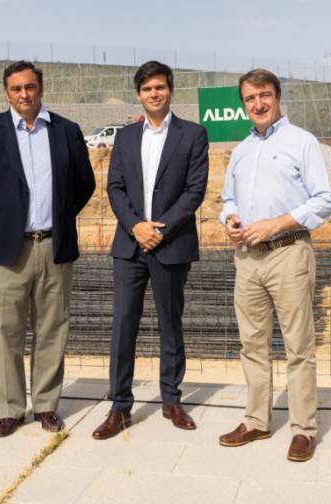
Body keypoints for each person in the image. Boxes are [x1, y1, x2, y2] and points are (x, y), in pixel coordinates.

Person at [0, 60, 96, 438]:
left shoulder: (66, 131)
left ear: (41, 88)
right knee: (6, 331)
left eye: (30, 87)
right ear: (7, 92)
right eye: (17, 88)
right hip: (7, 251)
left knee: (53, 328)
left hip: (54, 245)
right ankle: (10, 408)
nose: (24, 94)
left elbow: (84, 184)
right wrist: (4, 217)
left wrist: (59, 216)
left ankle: (47, 405)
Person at [217, 68, 331, 462]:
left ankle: (303, 429)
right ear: (243, 104)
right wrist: (231, 220)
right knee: (252, 344)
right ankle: (256, 421)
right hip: (248, 259)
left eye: (264, 95)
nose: (258, 104)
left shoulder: (302, 142)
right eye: (250, 99)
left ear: (278, 97)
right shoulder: (241, 149)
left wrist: (276, 223)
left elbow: (323, 200)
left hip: (288, 253)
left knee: (298, 346)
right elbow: (227, 199)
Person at [91, 61, 209, 440]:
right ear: (138, 94)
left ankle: (171, 400)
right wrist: (135, 226)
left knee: (170, 323)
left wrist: (160, 229)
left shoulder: (193, 134)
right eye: (146, 89)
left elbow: (195, 191)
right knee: (124, 324)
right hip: (130, 245)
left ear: (170, 90)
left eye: (159, 87)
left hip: (170, 244)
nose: (153, 94)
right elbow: (116, 188)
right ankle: (120, 407)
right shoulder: (125, 137)